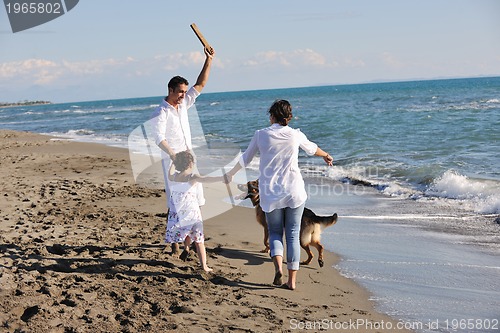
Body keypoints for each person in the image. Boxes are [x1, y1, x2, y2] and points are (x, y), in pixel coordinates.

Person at [225, 99, 333, 290]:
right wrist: (325, 155)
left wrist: (231, 173)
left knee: (275, 232)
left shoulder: (261, 135)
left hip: (270, 193)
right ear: (289, 117)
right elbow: (312, 148)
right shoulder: (295, 135)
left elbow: (245, 158)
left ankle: (278, 270)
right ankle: (291, 282)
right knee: (292, 235)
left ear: (272, 116)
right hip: (294, 192)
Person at [150, 46, 215, 254]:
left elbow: (201, 83)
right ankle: (176, 241)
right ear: (170, 90)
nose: (183, 95)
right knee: (176, 201)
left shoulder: (184, 104)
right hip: (173, 161)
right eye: (179, 92)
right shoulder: (161, 112)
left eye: (184, 92)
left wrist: (209, 60)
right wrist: (173, 155)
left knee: (195, 198)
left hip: (189, 159)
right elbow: (159, 138)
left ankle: (191, 241)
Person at [167, 150, 226, 272]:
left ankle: (186, 248)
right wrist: (222, 177)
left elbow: (169, 173)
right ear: (190, 163)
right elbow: (206, 179)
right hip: (192, 214)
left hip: (179, 215)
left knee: (187, 233)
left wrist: (173, 161)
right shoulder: (191, 177)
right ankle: (204, 266)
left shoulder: (175, 177)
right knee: (199, 241)